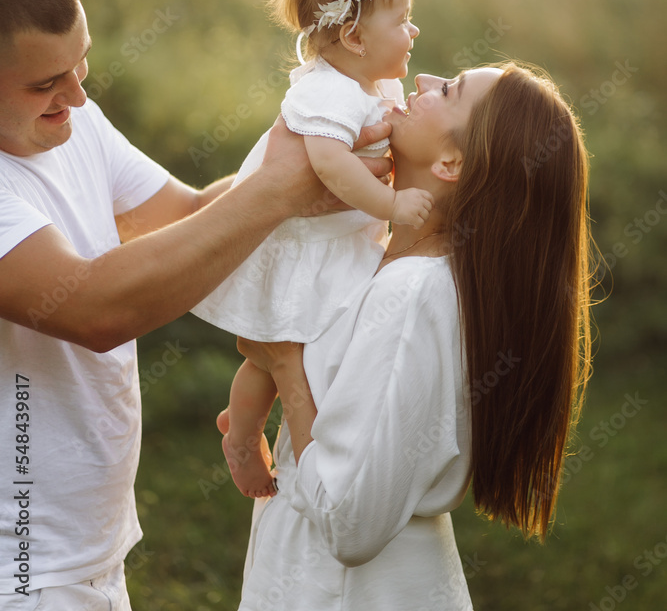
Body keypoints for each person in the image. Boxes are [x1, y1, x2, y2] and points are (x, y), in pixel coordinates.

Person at [0, 0, 391, 610]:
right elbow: (95, 310)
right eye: (46, 84)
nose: (77, 93)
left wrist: (319, 175)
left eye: (80, 66)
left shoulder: (73, 121)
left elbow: (187, 218)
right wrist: (276, 191)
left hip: (90, 551)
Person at [221, 61, 594, 611]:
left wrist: (284, 367)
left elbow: (350, 522)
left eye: (449, 90)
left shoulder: (414, 295)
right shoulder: (383, 260)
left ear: (452, 162)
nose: (422, 82)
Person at [192, 0, 432, 497]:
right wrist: (391, 203)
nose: (414, 32)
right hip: (299, 250)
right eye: (401, 21)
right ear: (354, 38)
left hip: (337, 243)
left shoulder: (378, 86)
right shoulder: (324, 91)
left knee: (294, 358)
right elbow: (329, 164)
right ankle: (259, 444)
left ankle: (283, 444)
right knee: (283, 359)